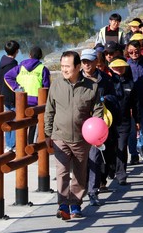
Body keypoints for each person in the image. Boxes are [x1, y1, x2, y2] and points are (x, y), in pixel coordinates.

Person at [44, 51, 104, 220]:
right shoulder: (56, 85)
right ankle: (63, 204)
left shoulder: (92, 86)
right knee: (62, 171)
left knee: (79, 172)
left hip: (81, 138)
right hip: (59, 136)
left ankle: (75, 204)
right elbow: (49, 110)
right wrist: (48, 133)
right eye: (62, 66)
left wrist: (97, 131)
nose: (64, 69)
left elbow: (98, 110)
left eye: (67, 66)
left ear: (78, 67)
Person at [80, 49, 117, 207]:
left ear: (96, 62)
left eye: (90, 61)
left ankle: (93, 192)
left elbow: (114, 97)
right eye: (84, 62)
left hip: (96, 126)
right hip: (79, 124)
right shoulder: (76, 79)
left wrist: (103, 99)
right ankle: (79, 192)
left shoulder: (105, 80)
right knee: (80, 160)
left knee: (94, 158)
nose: (87, 65)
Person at [4, 46, 51, 144]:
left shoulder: (21, 67)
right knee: (33, 124)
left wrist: (17, 88)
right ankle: (31, 146)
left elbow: (7, 76)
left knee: (22, 124)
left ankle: (21, 147)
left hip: (21, 101)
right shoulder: (43, 69)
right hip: (36, 102)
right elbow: (47, 87)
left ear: (29, 55)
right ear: (41, 56)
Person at [107, 57, 138, 184]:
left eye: (121, 67)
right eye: (116, 67)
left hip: (124, 120)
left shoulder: (130, 83)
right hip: (109, 120)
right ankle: (110, 169)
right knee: (110, 147)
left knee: (122, 146)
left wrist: (137, 120)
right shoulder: (108, 82)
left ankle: (121, 175)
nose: (119, 69)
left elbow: (135, 104)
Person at [0, 40, 19, 152]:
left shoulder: (2, 64)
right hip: (12, 96)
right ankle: (12, 145)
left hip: (3, 95)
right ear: (16, 51)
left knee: (7, 119)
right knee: (14, 120)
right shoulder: (13, 65)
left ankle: (8, 144)